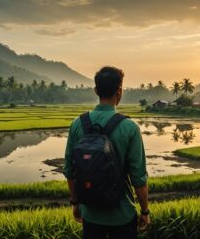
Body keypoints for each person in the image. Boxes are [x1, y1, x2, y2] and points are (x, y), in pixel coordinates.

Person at [64, 66, 150, 239]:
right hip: (122, 215)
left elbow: (70, 170)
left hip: (90, 215)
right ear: (119, 91)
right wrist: (145, 211)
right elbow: (138, 178)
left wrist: (75, 203)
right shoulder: (130, 128)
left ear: (96, 90)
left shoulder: (77, 124)